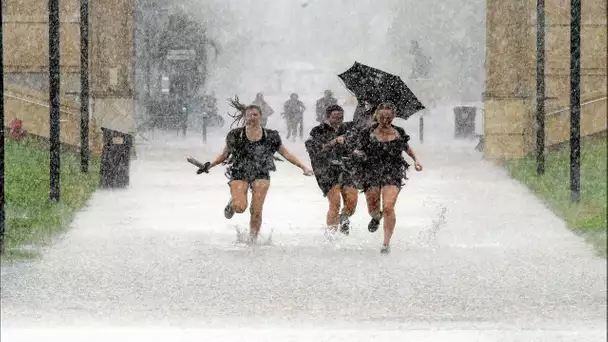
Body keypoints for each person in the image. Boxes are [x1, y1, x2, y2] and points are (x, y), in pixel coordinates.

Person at [193, 99, 314, 243]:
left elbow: (286, 154)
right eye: (249, 115)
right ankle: (233, 203)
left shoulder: (271, 136)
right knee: (240, 207)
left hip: (261, 172)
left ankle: (252, 240)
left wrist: (303, 166)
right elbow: (224, 155)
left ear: (261, 116)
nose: (252, 117)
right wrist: (209, 165)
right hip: (240, 171)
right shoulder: (236, 135)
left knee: (256, 210)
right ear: (245, 117)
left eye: (255, 115)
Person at [352, 102, 423, 254]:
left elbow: (406, 147)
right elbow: (357, 149)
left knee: (389, 206)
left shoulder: (399, 132)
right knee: (373, 207)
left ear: (394, 117)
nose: (385, 120)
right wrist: (358, 154)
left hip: (393, 171)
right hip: (371, 171)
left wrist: (416, 159)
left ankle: (386, 244)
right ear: (376, 115)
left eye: (388, 118)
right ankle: (376, 217)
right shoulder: (367, 132)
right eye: (382, 117)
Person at [305, 104, 358, 236]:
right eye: (335, 117)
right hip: (326, 170)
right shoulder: (318, 131)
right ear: (327, 117)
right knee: (335, 202)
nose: (338, 119)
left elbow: (361, 137)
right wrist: (333, 142)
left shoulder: (348, 128)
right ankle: (331, 235)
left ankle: (344, 217)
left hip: (346, 168)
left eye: (341, 117)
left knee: (352, 201)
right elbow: (314, 149)